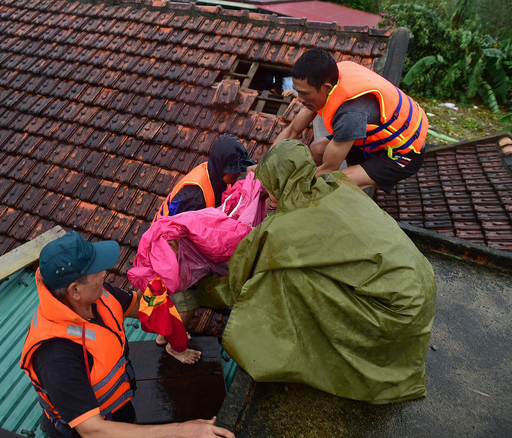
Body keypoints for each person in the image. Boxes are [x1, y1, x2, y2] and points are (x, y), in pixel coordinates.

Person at [209, 140, 437, 403]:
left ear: (279, 185)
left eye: (270, 187)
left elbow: (239, 278)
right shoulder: (337, 183)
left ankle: (298, 351)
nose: (268, 195)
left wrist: (198, 288)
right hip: (422, 283)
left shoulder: (283, 228)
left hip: (396, 311)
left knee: (282, 277)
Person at [20, 231, 235, 438]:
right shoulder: (56, 356)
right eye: (96, 271)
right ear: (75, 290)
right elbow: (92, 431)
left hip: (118, 407)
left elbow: (140, 304)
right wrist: (183, 431)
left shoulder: (99, 295)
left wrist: (162, 270)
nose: (105, 272)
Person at [151, 134, 254, 361]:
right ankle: (173, 347)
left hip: (178, 243)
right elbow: (174, 232)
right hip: (169, 248)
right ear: (221, 167)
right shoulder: (195, 194)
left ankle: (164, 334)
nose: (238, 174)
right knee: (187, 305)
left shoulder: (214, 174)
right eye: (234, 170)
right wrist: (184, 272)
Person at [272, 48, 428, 194]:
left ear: (326, 88)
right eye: (297, 91)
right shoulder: (328, 75)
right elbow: (293, 130)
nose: (299, 98)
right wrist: (265, 167)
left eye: (304, 93)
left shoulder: (350, 114)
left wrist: (283, 189)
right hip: (370, 138)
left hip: (403, 153)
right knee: (317, 149)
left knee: (334, 183)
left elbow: (328, 169)